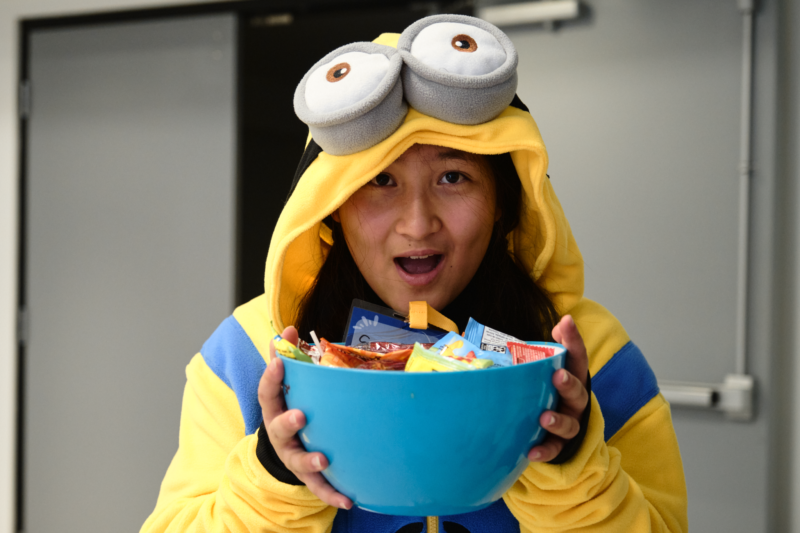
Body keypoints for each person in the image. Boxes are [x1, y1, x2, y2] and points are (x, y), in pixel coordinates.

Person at [141, 14, 687, 533]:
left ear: (504, 200)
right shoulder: (245, 356)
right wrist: (275, 473)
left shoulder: (595, 357)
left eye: (454, 176)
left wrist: (572, 466)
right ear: (331, 206)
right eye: (380, 181)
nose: (418, 223)